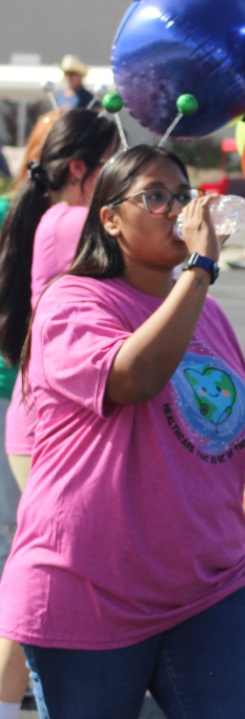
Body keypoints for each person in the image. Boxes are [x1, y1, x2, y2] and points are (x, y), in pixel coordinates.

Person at [0, 145, 245, 718]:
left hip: (206, 588)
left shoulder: (206, 315)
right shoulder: (73, 300)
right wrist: (200, 270)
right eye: (155, 197)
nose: (177, 210)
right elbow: (135, 378)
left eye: (183, 196)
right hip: (89, 590)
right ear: (110, 219)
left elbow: (183, 429)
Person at [0, 108, 117, 718]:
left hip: (41, 419)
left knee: (40, 569)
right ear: (81, 170)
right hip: (49, 425)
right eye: (116, 165)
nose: (124, 178)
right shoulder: (71, 222)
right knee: (43, 577)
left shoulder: (48, 217)